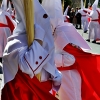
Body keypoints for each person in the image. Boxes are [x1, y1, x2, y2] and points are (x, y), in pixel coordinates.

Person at [1, 0, 62, 100]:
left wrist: (55, 74)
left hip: (42, 91)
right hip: (25, 95)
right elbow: (29, 67)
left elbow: (46, 65)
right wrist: (38, 39)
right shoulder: (16, 41)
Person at [42, 0, 100, 100]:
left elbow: (71, 59)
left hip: (69, 76)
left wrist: (48, 58)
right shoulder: (56, 31)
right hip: (60, 75)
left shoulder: (62, 32)